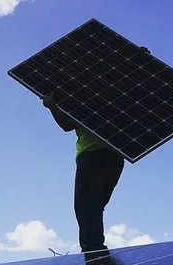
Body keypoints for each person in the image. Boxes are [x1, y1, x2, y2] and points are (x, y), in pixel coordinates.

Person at [42, 92, 125, 253]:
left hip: (92, 155)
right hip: (116, 157)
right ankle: (96, 249)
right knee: (96, 205)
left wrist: (52, 105)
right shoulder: (117, 97)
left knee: (86, 206)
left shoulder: (85, 96)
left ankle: (93, 251)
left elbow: (67, 124)